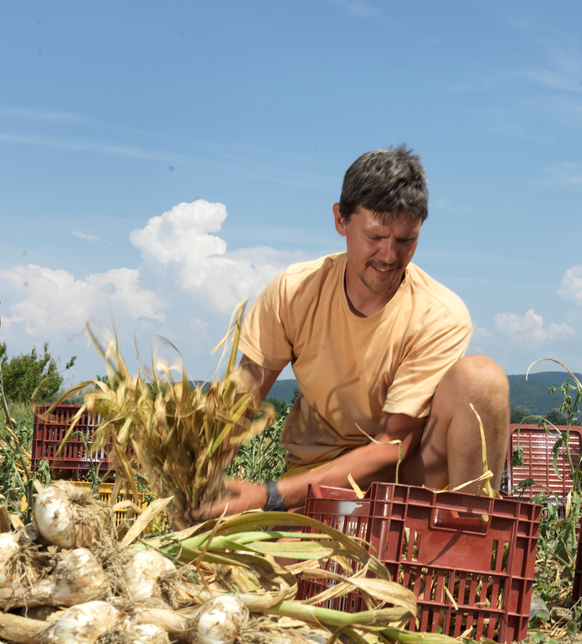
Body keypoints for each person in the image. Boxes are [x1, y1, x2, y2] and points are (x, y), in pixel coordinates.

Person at [192, 145, 509, 518]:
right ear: (341, 220)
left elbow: (393, 448)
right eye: (374, 237)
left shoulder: (439, 314)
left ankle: (467, 546)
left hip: (403, 484)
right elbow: (242, 398)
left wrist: (267, 496)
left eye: (406, 240)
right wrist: (198, 477)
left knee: (482, 379)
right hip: (312, 479)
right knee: (291, 573)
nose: (389, 256)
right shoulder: (295, 291)